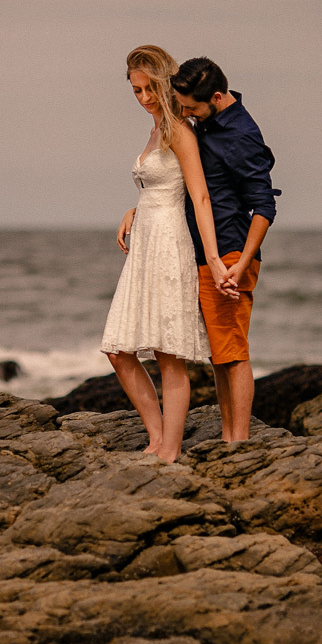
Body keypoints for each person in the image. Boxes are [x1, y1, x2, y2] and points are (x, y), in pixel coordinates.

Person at [120, 56, 279, 442]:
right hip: (202, 252)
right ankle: (228, 435)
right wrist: (139, 209)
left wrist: (241, 262)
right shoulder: (207, 120)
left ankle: (238, 442)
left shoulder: (241, 134)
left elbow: (264, 206)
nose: (186, 115)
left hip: (229, 252)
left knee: (233, 352)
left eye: (191, 108)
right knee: (218, 355)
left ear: (217, 97)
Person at [101, 45, 233, 464]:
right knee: (118, 350)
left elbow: (199, 196)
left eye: (149, 89)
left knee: (168, 354)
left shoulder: (179, 130)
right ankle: (156, 437)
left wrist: (213, 258)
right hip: (144, 245)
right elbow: (158, 187)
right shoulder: (155, 129)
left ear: (164, 84)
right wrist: (134, 209)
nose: (143, 98)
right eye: (136, 91)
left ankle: (169, 451)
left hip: (170, 244)